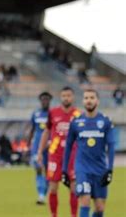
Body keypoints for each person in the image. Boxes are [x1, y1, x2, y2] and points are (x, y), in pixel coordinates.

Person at [62, 89, 115, 217]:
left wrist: (109, 170)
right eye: (86, 98)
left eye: (92, 98)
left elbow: (111, 145)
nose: (89, 101)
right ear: (83, 101)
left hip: (100, 169)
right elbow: (68, 146)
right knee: (84, 201)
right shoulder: (76, 122)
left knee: (99, 208)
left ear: (97, 101)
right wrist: (64, 170)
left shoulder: (105, 122)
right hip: (82, 169)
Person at [37, 87, 81, 217]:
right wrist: (40, 151)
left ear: (72, 97)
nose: (66, 98)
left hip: (73, 155)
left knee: (73, 187)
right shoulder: (53, 112)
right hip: (55, 155)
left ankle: (74, 215)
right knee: (53, 187)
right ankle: (54, 214)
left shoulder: (78, 114)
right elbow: (46, 131)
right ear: (60, 97)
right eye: (64, 96)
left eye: (68, 96)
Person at [27, 91, 52, 205]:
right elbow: (32, 129)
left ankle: (44, 192)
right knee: (38, 169)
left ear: (50, 101)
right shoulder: (36, 114)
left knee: (48, 171)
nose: (45, 101)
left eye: (47, 99)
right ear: (40, 101)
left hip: (50, 147)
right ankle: (41, 195)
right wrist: (28, 143)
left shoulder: (52, 114)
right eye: (43, 99)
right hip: (37, 146)